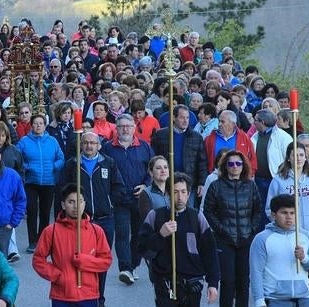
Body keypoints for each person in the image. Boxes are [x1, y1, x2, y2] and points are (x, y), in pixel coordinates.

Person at [59, 131, 125, 305]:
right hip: (81, 221)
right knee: (80, 259)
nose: (89, 146)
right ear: (81, 145)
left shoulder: (109, 163)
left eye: (93, 143)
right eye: (86, 143)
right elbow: (64, 189)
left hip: (105, 220)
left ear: (99, 145)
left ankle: (99, 298)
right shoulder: (72, 165)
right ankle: (80, 295)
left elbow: (119, 187)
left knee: (100, 262)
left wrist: (110, 203)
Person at [138, 172, 220, 307]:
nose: (180, 197)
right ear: (168, 194)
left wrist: (213, 284)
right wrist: (160, 235)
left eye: (183, 192)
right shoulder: (155, 216)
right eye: (175, 192)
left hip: (192, 283)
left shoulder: (197, 218)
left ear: (188, 194)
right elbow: (143, 250)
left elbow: (210, 252)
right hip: (164, 283)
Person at [266, 142, 309, 307]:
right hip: (289, 236)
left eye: (301, 155)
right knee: (292, 275)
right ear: (288, 157)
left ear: (306, 157)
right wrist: (282, 227)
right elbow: (269, 209)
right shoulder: (279, 181)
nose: (299, 158)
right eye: (295, 155)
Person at [32, 183, 113, 307]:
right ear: (63, 205)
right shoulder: (51, 231)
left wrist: (85, 261)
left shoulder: (96, 231)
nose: (76, 206)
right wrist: (57, 275)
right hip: (61, 295)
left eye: (80, 201)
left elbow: (106, 261)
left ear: (84, 204)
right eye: (71, 202)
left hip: (89, 295)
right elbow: (38, 260)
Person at [203, 150, 262, 307]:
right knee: (228, 280)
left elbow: (258, 210)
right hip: (225, 240)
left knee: (243, 280)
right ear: (225, 166)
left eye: (238, 163)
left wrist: (251, 229)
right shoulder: (216, 186)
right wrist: (220, 229)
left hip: (245, 239)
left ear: (243, 166)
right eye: (231, 164)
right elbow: (208, 211)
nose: (234, 166)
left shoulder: (251, 186)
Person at [101, 114, 154, 285]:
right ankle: (125, 268)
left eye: (128, 126)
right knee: (122, 234)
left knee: (139, 234)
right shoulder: (108, 148)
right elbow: (104, 172)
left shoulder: (144, 147)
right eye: (122, 126)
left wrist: (146, 185)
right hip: (119, 200)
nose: (125, 129)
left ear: (134, 128)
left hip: (141, 199)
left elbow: (153, 169)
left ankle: (133, 265)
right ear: (116, 128)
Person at [250, 194, 309, 307]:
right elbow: (256, 273)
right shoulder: (262, 239)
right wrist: (259, 302)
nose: (289, 217)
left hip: (305, 299)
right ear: (273, 215)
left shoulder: (305, 235)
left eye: (292, 213)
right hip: (275, 300)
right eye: (284, 213)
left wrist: (304, 258)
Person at [17, 114, 65, 253]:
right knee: (32, 211)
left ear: (45, 125)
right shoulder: (24, 141)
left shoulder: (52, 141)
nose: (38, 126)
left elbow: (61, 158)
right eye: (35, 123)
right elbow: (18, 159)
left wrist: (54, 166)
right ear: (31, 125)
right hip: (31, 181)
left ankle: (43, 241)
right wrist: (27, 167)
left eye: (41, 123)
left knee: (45, 213)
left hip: (49, 182)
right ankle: (32, 241)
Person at [152, 105, 208, 208]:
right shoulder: (161, 135)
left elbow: (202, 162)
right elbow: (154, 158)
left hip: (189, 184)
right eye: (182, 117)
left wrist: (201, 183)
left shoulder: (196, 137)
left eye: (187, 118)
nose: (185, 121)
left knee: (188, 214)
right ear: (174, 118)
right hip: (166, 183)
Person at [251, 109, 292, 228]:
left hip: (276, 179)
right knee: (260, 209)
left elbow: (290, 157)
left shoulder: (283, 137)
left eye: (256, 120)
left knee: (277, 208)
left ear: (263, 122)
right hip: (258, 180)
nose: (254, 123)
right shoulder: (255, 137)